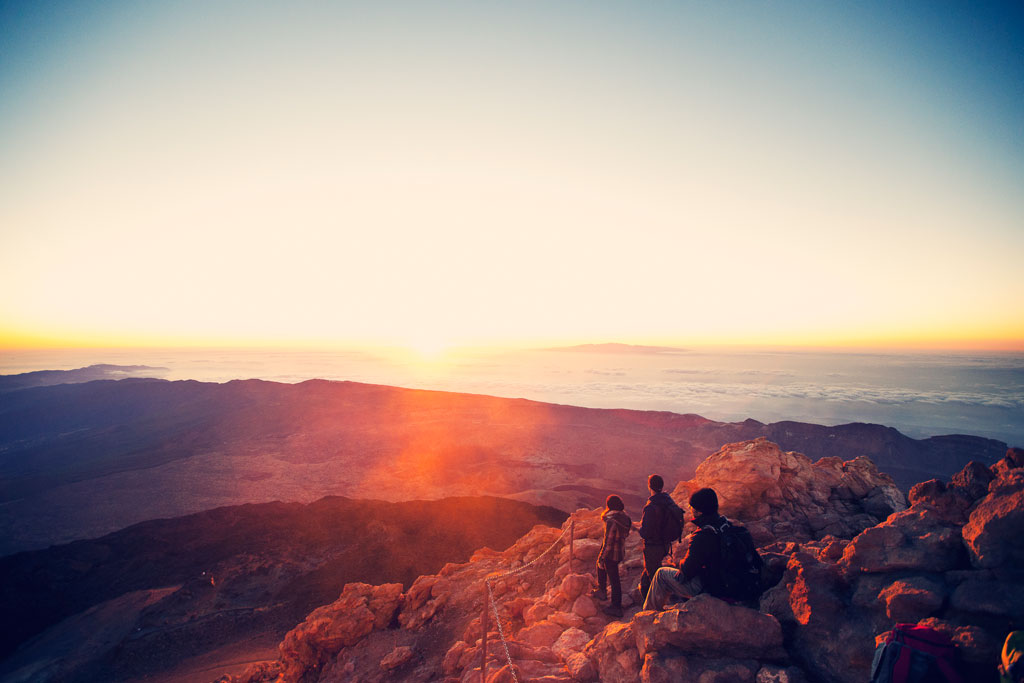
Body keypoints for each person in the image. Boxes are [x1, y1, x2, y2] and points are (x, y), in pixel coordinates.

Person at [643, 487, 761, 611]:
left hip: (716, 588)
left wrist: (677, 563)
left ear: (699, 512)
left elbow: (687, 571)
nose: (690, 509)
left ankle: (648, 614)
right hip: (738, 585)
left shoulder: (702, 535)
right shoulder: (726, 525)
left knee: (661, 574)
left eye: (692, 507)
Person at [637, 474, 684, 602]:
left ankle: (660, 604)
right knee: (649, 575)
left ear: (649, 486)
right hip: (666, 544)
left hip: (653, 546)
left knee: (654, 577)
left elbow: (645, 532)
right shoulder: (668, 501)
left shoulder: (651, 506)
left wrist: (639, 530)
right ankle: (648, 599)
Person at [591, 494, 631, 618]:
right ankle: (602, 590)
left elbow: (608, 542)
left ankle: (616, 607)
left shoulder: (611, 521)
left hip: (611, 553)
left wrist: (602, 557)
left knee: (614, 580)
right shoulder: (624, 518)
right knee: (608, 573)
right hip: (619, 551)